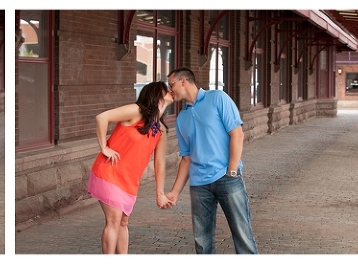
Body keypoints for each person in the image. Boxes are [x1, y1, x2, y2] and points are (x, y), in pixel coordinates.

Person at [164, 67, 258, 254]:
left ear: (184, 81)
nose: (169, 89)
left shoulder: (217, 98)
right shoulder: (182, 118)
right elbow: (186, 159)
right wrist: (174, 192)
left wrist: (231, 172)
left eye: (171, 84)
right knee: (202, 241)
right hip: (199, 185)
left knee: (242, 235)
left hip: (227, 179)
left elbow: (237, 134)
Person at [87, 81, 175, 254]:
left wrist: (160, 194)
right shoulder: (137, 111)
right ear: (156, 94)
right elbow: (102, 117)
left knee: (123, 222)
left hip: (129, 182)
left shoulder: (161, 129)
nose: (171, 91)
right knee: (114, 220)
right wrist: (104, 147)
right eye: (167, 90)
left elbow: (159, 164)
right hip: (109, 172)